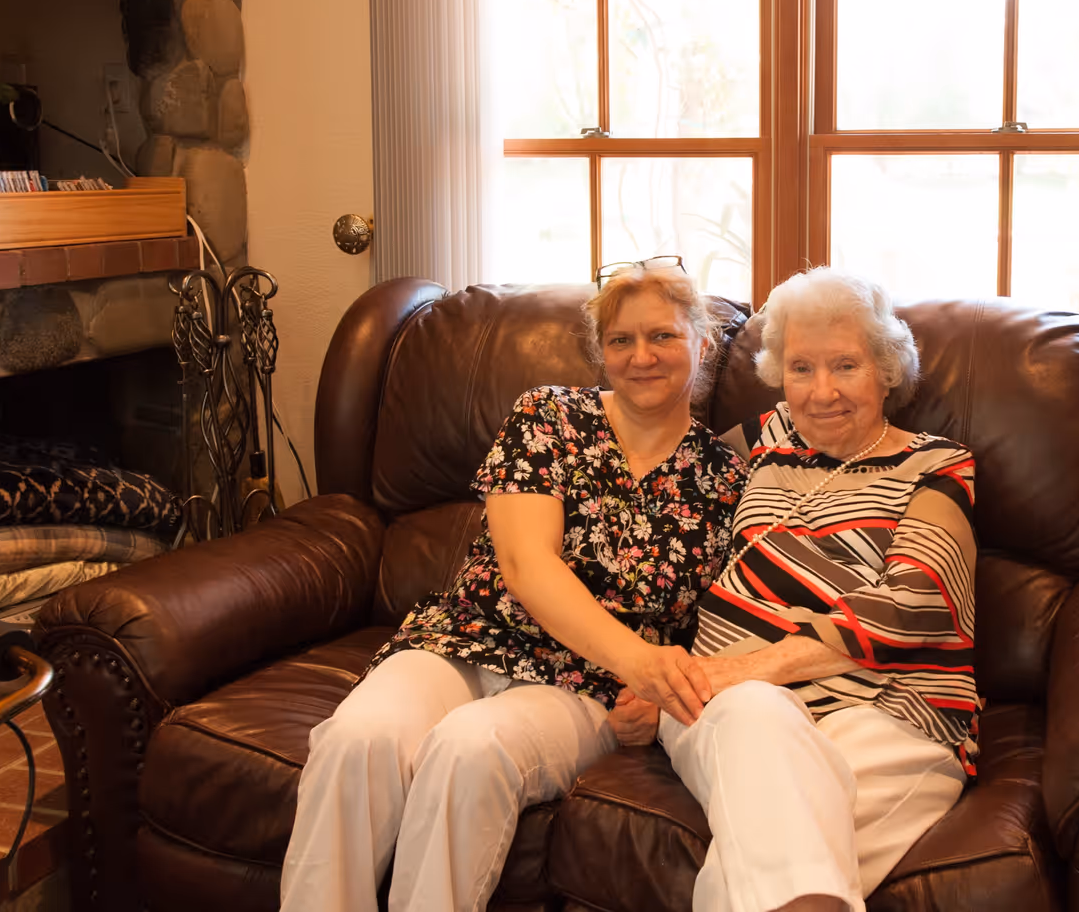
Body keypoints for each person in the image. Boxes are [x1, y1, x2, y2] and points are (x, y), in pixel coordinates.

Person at [280, 258, 748, 912]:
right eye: (620, 340)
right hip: (465, 640)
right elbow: (529, 568)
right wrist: (644, 664)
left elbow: (732, 615)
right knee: (360, 739)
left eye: (662, 336)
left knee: (471, 750)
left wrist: (664, 690)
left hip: (584, 685)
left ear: (700, 344)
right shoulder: (547, 416)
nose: (641, 356)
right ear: (600, 351)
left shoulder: (728, 481)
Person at [615, 266, 980, 912]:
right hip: (721, 707)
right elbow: (662, 532)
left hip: (886, 711)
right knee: (758, 719)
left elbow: (912, 606)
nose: (822, 393)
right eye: (802, 368)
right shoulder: (759, 442)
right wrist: (646, 662)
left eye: (845, 366)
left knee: (751, 863)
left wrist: (733, 673)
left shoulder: (937, 466)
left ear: (887, 370)